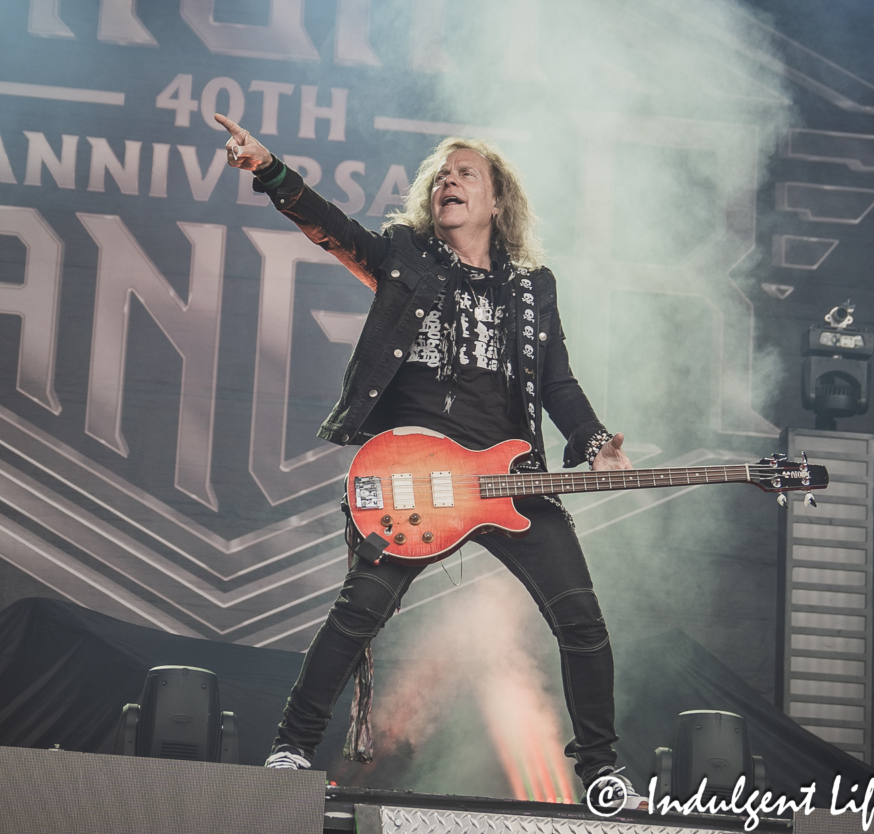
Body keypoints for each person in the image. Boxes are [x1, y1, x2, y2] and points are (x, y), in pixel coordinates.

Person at [215, 113, 635, 797]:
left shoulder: (534, 285)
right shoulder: (405, 253)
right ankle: (291, 748)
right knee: (359, 611)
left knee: (582, 619)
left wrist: (593, 443)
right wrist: (270, 170)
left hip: (510, 477)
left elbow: (557, 379)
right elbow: (334, 229)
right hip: (417, 472)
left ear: (497, 200)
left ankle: (602, 769)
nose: (448, 180)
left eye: (465, 172)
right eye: (441, 174)